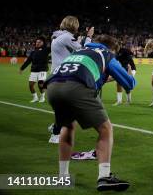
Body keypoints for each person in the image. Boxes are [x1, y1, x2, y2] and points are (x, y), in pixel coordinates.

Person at [45, 34, 136, 191]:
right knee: (105, 128)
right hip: (76, 87)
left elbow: (86, 73)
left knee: (68, 126)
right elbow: (129, 84)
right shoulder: (106, 53)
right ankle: (104, 177)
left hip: (53, 86)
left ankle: (63, 176)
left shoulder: (78, 52)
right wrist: (129, 74)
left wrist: (105, 77)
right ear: (112, 48)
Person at [48, 16, 94, 143]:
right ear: (74, 25)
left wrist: (80, 39)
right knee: (72, 106)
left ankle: (56, 126)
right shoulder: (67, 37)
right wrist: (89, 36)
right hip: (64, 75)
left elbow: (71, 51)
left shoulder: (58, 35)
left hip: (57, 74)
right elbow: (84, 50)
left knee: (66, 106)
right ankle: (56, 133)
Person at [20, 36, 50, 103]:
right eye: (37, 42)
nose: (37, 43)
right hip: (34, 70)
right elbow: (28, 61)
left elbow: (53, 46)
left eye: (39, 42)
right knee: (30, 85)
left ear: (43, 43)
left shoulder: (46, 49)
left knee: (40, 83)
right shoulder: (33, 52)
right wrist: (22, 68)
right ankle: (35, 97)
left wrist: (52, 38)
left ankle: (42, 97)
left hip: (42, 70)